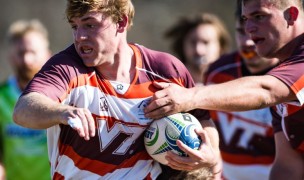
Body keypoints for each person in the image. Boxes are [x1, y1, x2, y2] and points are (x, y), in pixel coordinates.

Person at [12, 0, 220, 179]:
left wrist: (209, 153)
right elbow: (24, 109)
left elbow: (202, 117)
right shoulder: (67, 66)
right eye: (74, 26)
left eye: (90, 25)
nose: (79, 37)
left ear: (121, 22)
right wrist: (61, 111)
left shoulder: (165, 69)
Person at [144, 0, 304, 179]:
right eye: (245, 19)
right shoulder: (280, 73)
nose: (249, 28)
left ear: (291, 15)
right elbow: (288, 165)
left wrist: (189, 96)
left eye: (259, 16)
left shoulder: (286, 75)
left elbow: (267, 90)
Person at [204, 1, 279, 179]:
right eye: (240, 31)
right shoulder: (218, 72)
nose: (247, 41)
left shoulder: (292, 75)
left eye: (254, 33)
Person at [0, 19, 51, 179]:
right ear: (11, 57)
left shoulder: (61, 97)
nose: (27, 60)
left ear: (48, 55)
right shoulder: (2, 96)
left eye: (33, 52)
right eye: (21, 53)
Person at [164, 13, 231, 84]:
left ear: (221, 47)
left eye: (206, 42)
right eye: (193, 42)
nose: (198, 50)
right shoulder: (168, 81)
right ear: (182, 46)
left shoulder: (234, 81)